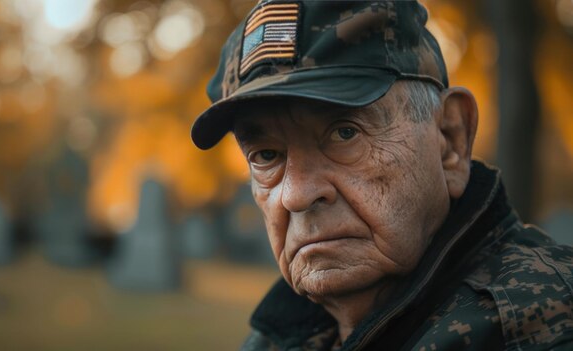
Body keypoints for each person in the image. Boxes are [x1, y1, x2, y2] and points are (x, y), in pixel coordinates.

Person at [190, 1, 573, 350]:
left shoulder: (548, 324)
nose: (296, 194)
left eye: (344, 133)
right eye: (267, 155)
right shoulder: (276, 338)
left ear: (450, 141)